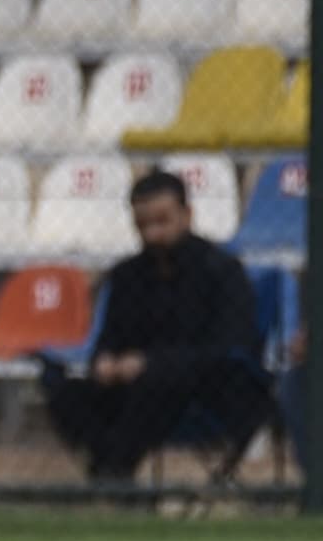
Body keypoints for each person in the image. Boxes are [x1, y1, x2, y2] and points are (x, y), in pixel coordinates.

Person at [41, 165, 270, 483]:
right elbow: (111, 337)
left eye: (162, 221)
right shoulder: (127, 276)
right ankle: (112, 469)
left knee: (158, 381)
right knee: (63, 388)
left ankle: (111, 473)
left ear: (187, 215)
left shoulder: (222, 271)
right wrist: (105, 361)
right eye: (143, 224)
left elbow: (230, 346)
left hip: (210, 390)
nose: (153, 234)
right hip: (135, 391)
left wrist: (152, 363)